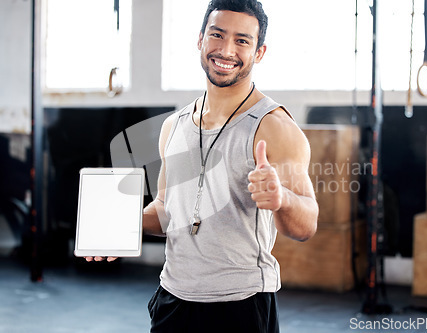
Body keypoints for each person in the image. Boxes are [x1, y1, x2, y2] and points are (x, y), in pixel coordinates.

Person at [87, 0, 318, 331]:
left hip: (241, 305)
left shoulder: (274, 127)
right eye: (217, 35)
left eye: (242, 40)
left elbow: (306, 224)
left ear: (260, 52)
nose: (226, 50)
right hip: (172, 301)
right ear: (200, 40)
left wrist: (282, 198)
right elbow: (167, 212)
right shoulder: (175, 125)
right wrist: (117, 226)